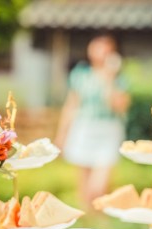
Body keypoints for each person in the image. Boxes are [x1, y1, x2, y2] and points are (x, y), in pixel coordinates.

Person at [55, 34, 130, 208]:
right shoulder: (81, 74)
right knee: (84, 183)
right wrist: (61, 135)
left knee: (99, 186)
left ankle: (100, 216)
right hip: (84, 127)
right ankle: (89, 220)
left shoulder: (119, 79)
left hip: (108, 129)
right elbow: (71, 105)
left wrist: (109, 79)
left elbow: (119, 107)